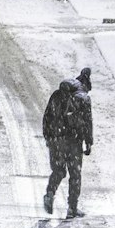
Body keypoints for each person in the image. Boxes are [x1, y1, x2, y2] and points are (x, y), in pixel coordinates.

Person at [41, 68, 94, 218]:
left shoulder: (57, 95)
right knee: (75, 174)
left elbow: (47, 116)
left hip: (55, 139)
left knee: (59, 170)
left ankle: (50, 193)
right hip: (73, 140)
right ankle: (72, 208)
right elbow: (87, 122)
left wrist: (48, 137)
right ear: (85, 86)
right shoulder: (83, 98)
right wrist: (89, 142)